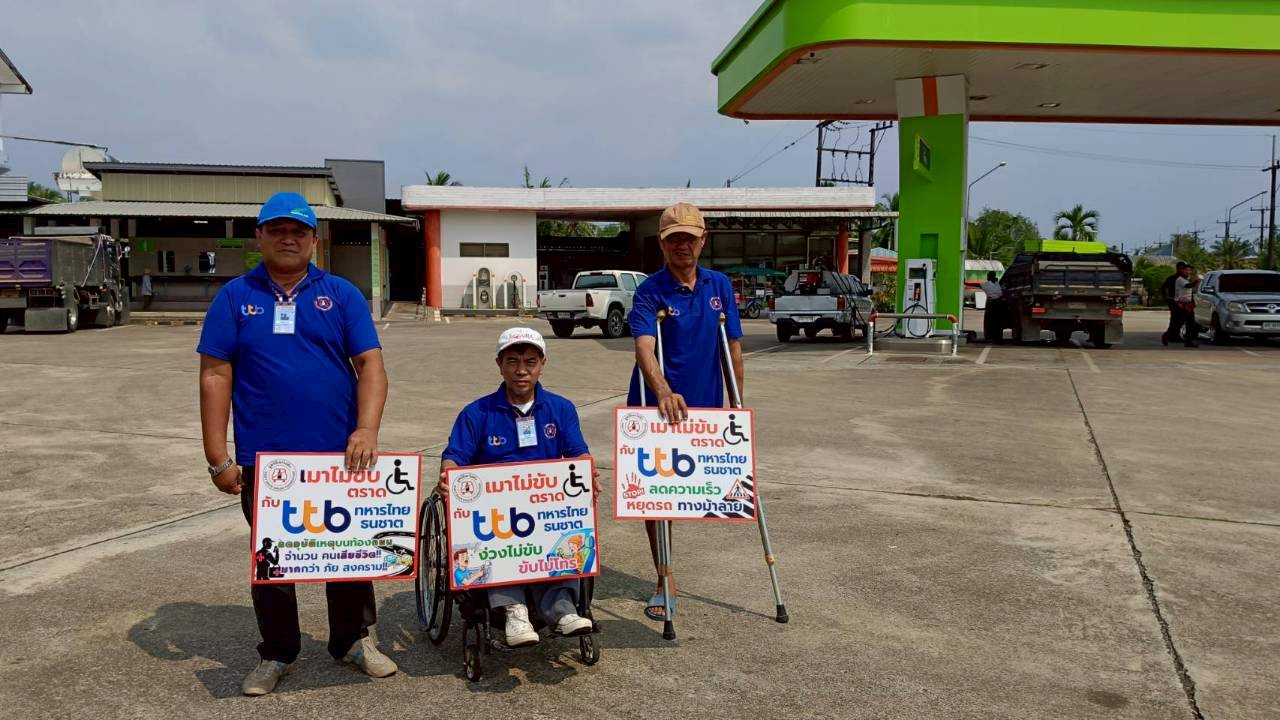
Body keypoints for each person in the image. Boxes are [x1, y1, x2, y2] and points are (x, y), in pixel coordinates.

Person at [197, 191, 395, 696]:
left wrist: (366, 429)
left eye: (299, 231)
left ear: (314, 240)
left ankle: (353, 640)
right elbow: (215, 374)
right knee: (273, 559)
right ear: (259, 236)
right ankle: (277, 652)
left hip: (340, 459)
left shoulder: (341, 295)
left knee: (349, 551)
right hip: (267, 462)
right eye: (277, 229)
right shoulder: (235, 297)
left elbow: (371, 366)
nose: (288, 238)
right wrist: (217, 457)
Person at [437, 327, 598, 647]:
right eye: (512, 361)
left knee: (565, 528)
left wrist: (587, 474)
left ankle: (562, 609)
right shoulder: (476, 413)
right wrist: (448, 477)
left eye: (530, 362)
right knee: (493, 536)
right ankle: (514, 610)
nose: (521, 370)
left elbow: (578, 452)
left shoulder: (561, 409)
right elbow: (454, 457)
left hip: (544, 505)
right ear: (499, 364)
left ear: (542, 365)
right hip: (496, 511)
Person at [627, 202, 744, 622]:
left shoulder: (719, 286)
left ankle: (668, 571)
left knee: (705, 494)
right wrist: (662, 390)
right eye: (674, 238)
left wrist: (738, 406)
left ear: (702, 241)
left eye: (689, 238)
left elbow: (732, 347)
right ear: (662, 244)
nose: (682, 245)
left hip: (705, 408)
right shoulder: (649, 291)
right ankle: (665, 577)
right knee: (655, 498)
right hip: (656, 407)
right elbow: (644, 346)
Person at [1161, 262, 1199, 347]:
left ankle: (1188, 341)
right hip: (1180, 304)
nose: (1188, 272)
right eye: (1186, 270)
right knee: (1177, 323)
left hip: (1188, 304)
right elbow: (1188, 286)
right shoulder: (1179, 279)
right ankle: (1167, 336)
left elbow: (1190, 290)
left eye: (1189, 270)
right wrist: (1196, 281)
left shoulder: (1186, 279)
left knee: (1190, 323)